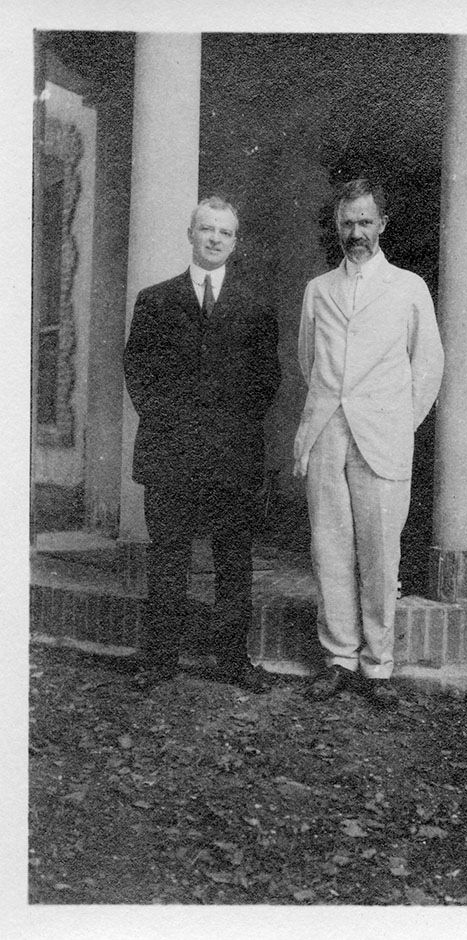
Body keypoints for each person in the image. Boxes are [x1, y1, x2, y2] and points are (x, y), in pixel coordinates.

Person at [293, 178, 444, 707]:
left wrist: (399, 422)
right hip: (327, 431)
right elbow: (308, 361)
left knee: (381, 552)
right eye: (346, 223)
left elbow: (427, 366)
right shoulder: (319, 290)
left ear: (383, 224)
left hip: (382, 436)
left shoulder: (408, 288)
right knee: (329, 548)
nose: (356, 233)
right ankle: (338, 658)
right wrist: (327, 410)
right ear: (337, 227)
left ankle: (378, 666)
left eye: (365, 222)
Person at [124, 195, 280, 691]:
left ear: (235, 242)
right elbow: (139, 372)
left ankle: (232, 659)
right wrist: (175, 426)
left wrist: (230, 431)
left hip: (232, 455)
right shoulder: (155, 299)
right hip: (171, 452)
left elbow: (265, 380)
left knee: (233, 557)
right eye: (207, 229)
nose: (215, 239)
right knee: (168, 555)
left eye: (225, 233)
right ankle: (160, 658)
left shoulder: (255, 307)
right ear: (191, 234)